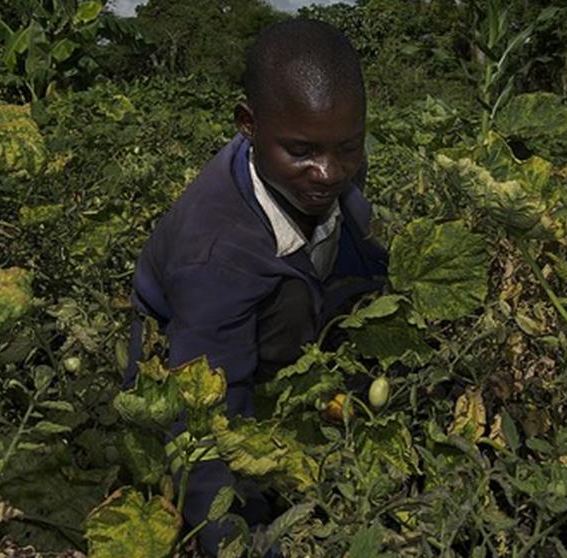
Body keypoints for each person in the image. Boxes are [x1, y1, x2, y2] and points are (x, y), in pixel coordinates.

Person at [125, 18, 388, 556]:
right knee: (236, 487)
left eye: (349, 148)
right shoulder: (215, 251)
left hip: (285, 312)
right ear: (248, 124)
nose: (328, 172)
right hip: (188, 359)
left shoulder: (324, 163)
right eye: (303, 151)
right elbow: (200, 421)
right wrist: (239, 540)